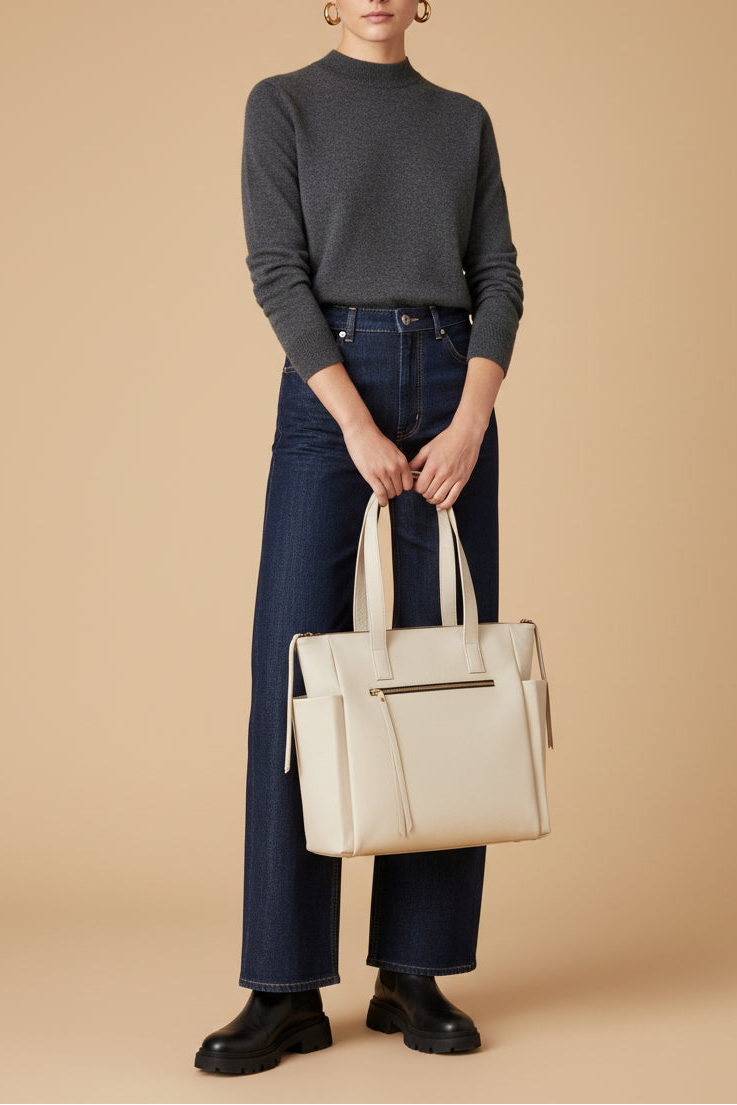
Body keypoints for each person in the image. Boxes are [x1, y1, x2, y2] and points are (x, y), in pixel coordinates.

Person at [194, 0, 523, 1076]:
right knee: (292, 675)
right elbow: (277, 271)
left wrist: (467, 420)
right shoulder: (280, 106)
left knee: (436, 677)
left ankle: (412, 969)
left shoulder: (462, 119)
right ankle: (283, 986)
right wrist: (354, 422)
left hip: (449, 391)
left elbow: (498, 277)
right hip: (328, 390)